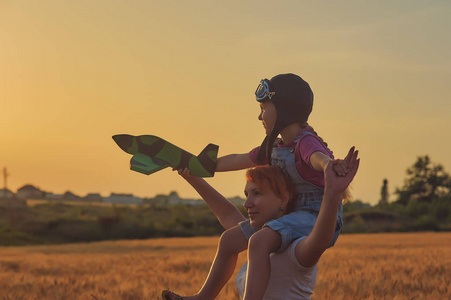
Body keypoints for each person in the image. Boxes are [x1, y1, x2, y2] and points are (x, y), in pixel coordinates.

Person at [163, 148, 359, 299]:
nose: (247, 203)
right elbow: (228, 216)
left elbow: (320, 239)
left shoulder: (294, 249)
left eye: (257, 194)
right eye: (246, 195)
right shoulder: (258, 241)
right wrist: (193, 178)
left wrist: (332, 193)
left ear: (284, 199)